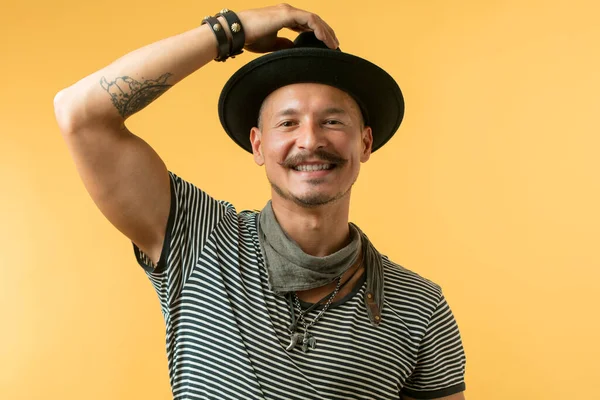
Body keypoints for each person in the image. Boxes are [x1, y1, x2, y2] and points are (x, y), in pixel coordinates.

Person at [54, 4, 466, 399]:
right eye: (288, 123)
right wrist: (229, 30)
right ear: (258, 144)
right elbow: (80, 113)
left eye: (333, 121)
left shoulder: (419, 307)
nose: (310, 140)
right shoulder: (196, 240)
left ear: (364, 142)